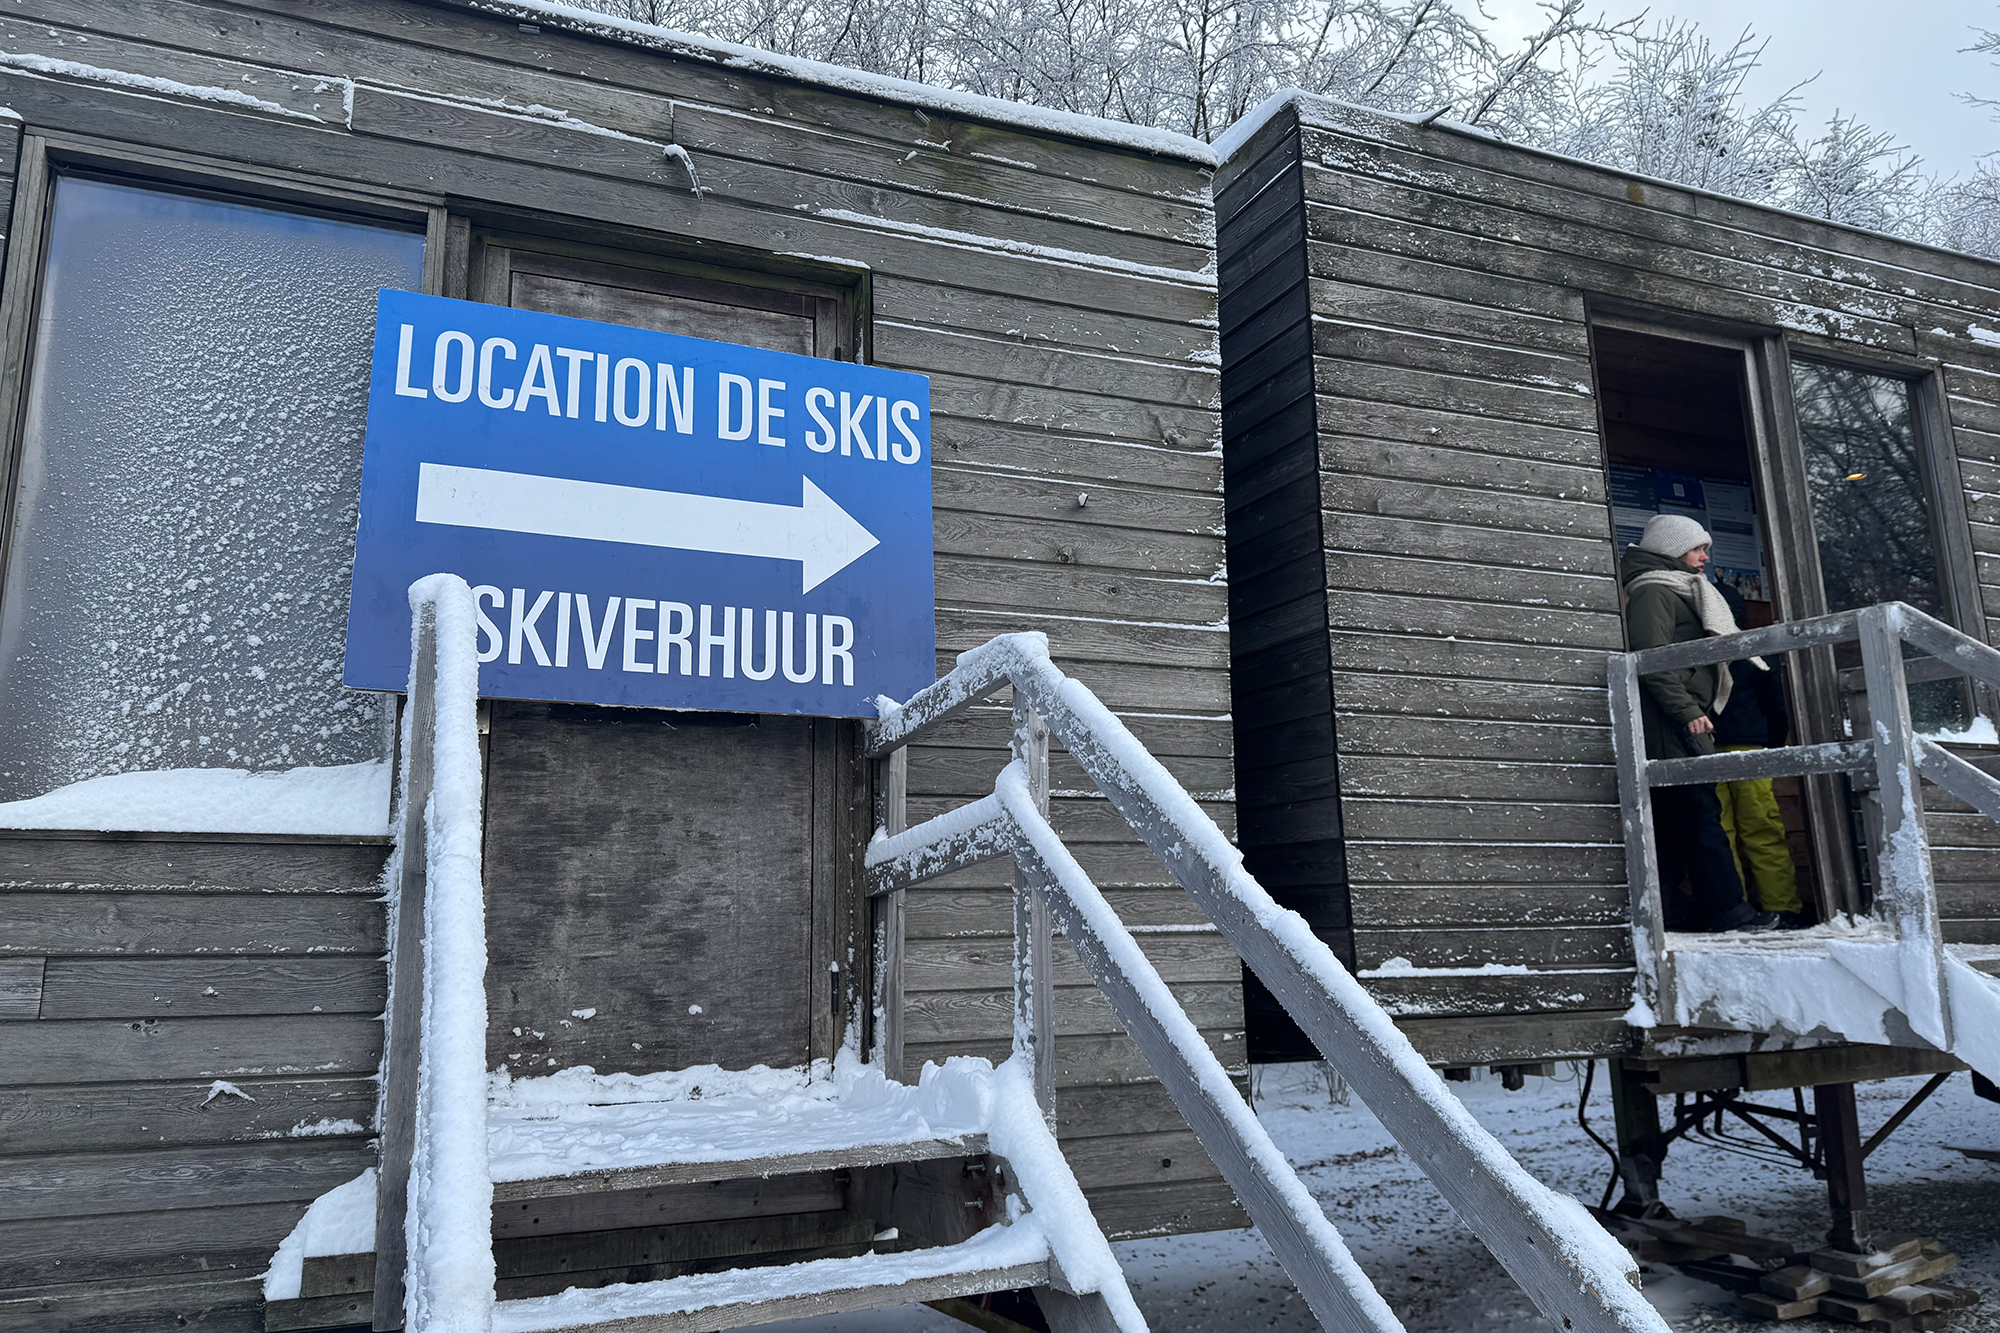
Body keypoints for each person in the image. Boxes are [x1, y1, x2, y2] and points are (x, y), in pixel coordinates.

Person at [1620, 513, 1778, 933]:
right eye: (1697, 548)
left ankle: (1677, 909)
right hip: (1671, 721)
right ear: (1673, 549)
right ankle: (1727, 910)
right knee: (1699, 814)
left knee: (1680, 816)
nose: (1705, 556)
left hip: (1678, 717)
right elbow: (1650, 660)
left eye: (1706, 547)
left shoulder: (1677, 588)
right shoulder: (1655, 590)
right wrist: (1689, 712)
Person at [1711, 582, 1807, 925]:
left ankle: (1738, 909)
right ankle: (1782, 907)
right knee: (1762, 828)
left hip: (1706, 747)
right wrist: (1775, 742)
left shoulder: (1697, 647)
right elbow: (1775, 702)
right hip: (1751, 745)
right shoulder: (1757, 648)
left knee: (1721, 833)